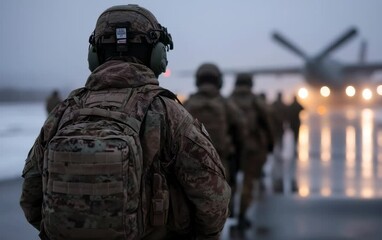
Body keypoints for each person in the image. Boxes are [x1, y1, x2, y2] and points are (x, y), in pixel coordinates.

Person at [20, 4, 230, 240]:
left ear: (94, 54)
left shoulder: (64, 112)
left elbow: (31, 199)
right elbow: (214, 202)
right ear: (158, 54)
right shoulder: (168, 113)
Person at [183, 63, 246, 218]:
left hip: (190, 164)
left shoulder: (187, 105)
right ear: (219, 82)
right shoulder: (226, 104)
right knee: (218, 207)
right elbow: (241, 130)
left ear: (197, 81)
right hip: (220, 162)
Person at [229, 73, 274, 230]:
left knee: (229, 181)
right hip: (252, 148)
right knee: (248, 182)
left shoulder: (229, 100)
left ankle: (228, 211)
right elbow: (268, 124)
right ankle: (241, 215)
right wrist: (270, 144)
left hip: (232, 149)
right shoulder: (256, 102)